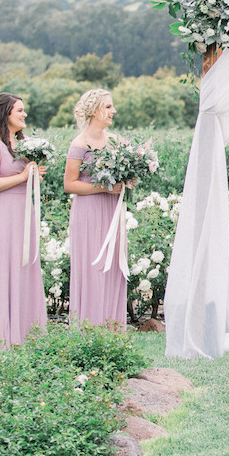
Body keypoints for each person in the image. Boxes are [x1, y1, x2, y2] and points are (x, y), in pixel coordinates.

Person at [64, 89, 128, 329]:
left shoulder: (117, 142)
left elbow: (124, 177)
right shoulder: (79, 144)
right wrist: (104, 188)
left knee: (113, 266)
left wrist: (129, 180)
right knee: (92, 267)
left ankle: (112, 329)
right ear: (95, 111)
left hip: (112, 210)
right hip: (89, 212)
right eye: (109, 106)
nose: (114, 111)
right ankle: (89, 328)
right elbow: (69, 184)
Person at [0, 93, 48, 346]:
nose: (24, 114)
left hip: (24, 212)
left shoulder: (25, 143)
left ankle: (27, 332)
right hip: (4, 214)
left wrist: (35, 176)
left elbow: (29, 179)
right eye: (19, 110)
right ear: (5, 113)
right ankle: (5, 334)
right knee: (5, 267)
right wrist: (22, 177)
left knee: (24, 265)